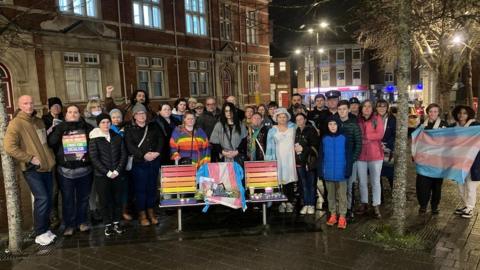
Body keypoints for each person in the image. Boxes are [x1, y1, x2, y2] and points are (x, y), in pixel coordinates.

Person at [4, 95, 56, 246]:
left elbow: (44, 143)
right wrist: (29, 158)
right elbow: (9, 147)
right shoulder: (16, 123)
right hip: (32, 169)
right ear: (19, 105)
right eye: (25, 103)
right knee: (43, 198)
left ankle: (45, 230)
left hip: (47, 167)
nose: (29, 105)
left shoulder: (38, 121)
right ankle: (40, 233)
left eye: (31, 103)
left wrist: (50, 158)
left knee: (48, 198)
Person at [48, 105, 94, 236]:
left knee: (83, 198)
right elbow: (51, 143)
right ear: (66, 114)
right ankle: (69, 225)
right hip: (65, 171)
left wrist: (88, 157)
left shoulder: (87, 128)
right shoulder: (59, 128)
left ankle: (82, 222)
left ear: (80, 114)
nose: (73, 114)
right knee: (68, 199)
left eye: (75, 112)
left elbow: (95, 145)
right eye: (70, 112)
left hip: (84, 169)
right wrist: (59, 130)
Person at [125, 104, 164, 226]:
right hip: (139, 164)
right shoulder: (129, 129)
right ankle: (142, 214)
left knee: (152, 188)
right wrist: (143, 155)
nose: (141, 116)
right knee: (140, 190)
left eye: (143, 113)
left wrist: (157, 152)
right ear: (134, 116)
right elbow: (129, 145)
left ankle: (151, 212)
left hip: (154, 162)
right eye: (138, 113)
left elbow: (161, 140)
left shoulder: (154, 126)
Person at [89, 113, 127, 236]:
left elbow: (123, 155)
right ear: (98, 124)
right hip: (102, 176)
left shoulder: (117, 137)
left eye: (107, 122)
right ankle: (108, 225)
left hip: (117, 174)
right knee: (104, 201)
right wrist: (107, 172)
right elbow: (94, 158)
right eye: (103, 122)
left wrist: (117, 170)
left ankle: (117, 222)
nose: (106, 124)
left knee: (117, 200)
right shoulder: (94, 139)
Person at [416, 103, 447, 215]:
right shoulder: (421, 125)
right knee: (422, 184)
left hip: (438, 161)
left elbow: (448, 141)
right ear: (427, 113)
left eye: (435, 111)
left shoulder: (444, 125)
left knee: (436, 185)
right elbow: (415, 140)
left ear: (438, 113)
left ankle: (434, 206)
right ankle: (423, 205)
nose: (433, 113)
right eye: (430, 111)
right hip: (423, 160)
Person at [356, 100, 384, 218]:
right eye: (365, 106)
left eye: (369, 106)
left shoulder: (377, 119)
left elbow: (380, 134)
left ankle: (376, 204)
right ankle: (364, 203)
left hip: (375, 155)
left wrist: (366, 137)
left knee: (375, 181)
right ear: (361, 108)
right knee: (362, 181)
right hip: (361, 155)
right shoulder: (358, 120)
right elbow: (355, 135)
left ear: (372, 109)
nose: (367, 108)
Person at [265, 108, 297, 213]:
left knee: (290, 181)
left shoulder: (293, 128)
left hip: (291, 158)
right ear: (276, 118)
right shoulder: (272, 130)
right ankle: (281, 202)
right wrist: (269, 161)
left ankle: (289, 202)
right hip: (278, 158)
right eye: (280, 117)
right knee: (279, 180)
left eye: (284, 117)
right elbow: (269, 147)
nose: (282, 119)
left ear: (287, 118)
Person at [451, 105, 480, 218]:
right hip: (459, 162)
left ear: (469, 115)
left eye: (464, 113)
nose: (461, 115)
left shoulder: (475, 126)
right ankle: (465, 205)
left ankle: (470, 208)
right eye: (459, 113)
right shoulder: (454, 127)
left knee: (470, 186)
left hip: (473, 162)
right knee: (460, 185)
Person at [321, 117, 350, 229]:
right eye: (330, 124)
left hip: (341, 172)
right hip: (328, 172)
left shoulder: (344, 137)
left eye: (334, 124)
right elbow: (321, 156)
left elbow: (348, 154)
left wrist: (348, 169)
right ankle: (333, 214)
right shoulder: (324, 138)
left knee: (342, 195)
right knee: (330, 195)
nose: (332, 126)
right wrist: (321, 171)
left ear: (338, 125)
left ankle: (342, 216)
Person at [336, 100, 362, 220]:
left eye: (344, 109)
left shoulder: (353, 125)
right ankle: (340, 209)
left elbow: (358, 144)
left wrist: (353, 159)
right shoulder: (334, 124)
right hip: (338, 161)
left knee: (350, 186)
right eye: (340, 109)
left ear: (348, 110)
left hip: (350, 161)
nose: (342, 111)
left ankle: (349, 209)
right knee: (339, 187)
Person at [42, 97, 64, 228]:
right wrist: (52, 127)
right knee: (54, 189)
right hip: (51, 157)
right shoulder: (44, 120)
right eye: (54, 106)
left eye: (58, 106)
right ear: (49, 107)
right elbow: (42, 136)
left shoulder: (65, 117)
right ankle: (53, 215)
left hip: (65, 156)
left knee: (65, 187)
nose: (56, 108)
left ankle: (68, 214)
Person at [109, 108, 132, 221]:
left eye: (118, 117)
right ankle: (114, 212)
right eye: (113, 117)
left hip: (125, 162)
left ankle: (123, 211)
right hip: (113, 163)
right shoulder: (108, 129)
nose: (116, 119)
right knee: (114, 190)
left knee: (125, 189)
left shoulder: (126, 128)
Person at [294, 113, 319, 215]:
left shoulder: (311, 130)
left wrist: (303, 148)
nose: (299, 121)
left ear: (305, 120)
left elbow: (315, 146)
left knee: (311, 184)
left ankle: (311, 204)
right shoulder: (296, 131)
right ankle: (306, 204)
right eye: (297, 120)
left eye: (301, 119)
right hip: (299, 162)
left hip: (309, 162)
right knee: (303, 184)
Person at [376, 99, 396, 190]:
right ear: (376, 108)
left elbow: (394, 134)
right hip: (375, 149)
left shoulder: (392, 119)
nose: (381, 108)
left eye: (384, 106)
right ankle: (380, 197)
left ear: (387, 107)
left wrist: (387, 144)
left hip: (388, 149)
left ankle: (394, 191)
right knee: (377, 174)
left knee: (390, 172)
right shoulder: (373, 118)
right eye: (379, 106)